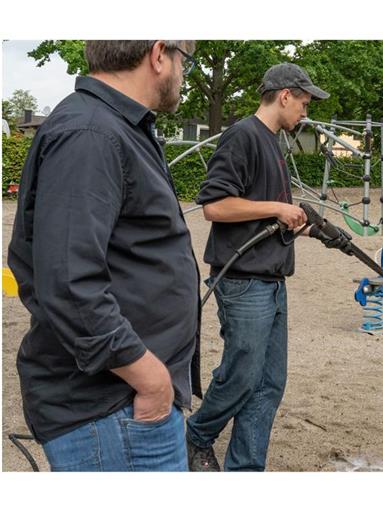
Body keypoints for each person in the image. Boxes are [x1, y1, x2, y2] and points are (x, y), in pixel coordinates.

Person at [8, 40, 201, 471]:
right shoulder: (91, 133)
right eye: (183, 60)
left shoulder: (116, 127)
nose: (183, 73)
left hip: (122, 400)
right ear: (157, 54)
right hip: (112, 406)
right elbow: (70, 283)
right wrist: (148, 378)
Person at [186, 63, 329, 471]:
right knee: (242, 375)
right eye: (303, 103)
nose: (305, 112)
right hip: (243, 281)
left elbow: (261, 217)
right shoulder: (243, 136)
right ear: (284, 95)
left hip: (273, 279)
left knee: (269, 383)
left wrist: (298, 225)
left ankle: (245, 470)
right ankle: (196, 435)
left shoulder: (274, 143)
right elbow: (214, 205)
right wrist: (279, 208)